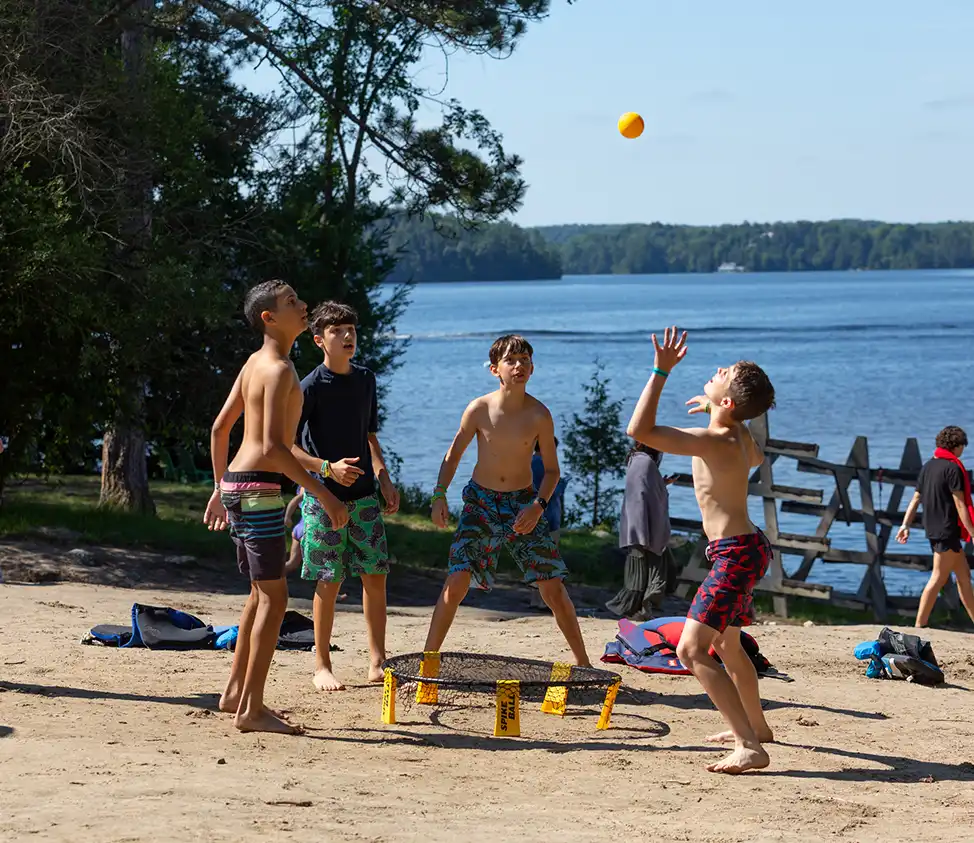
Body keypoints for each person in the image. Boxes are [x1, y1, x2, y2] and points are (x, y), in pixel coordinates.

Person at [202, 279, 349, 735]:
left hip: (239, 485)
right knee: (276, 598)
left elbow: (220, 429)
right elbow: (273, 448)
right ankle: (252, 709)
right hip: (259, 488)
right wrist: (322, 491)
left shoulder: (254, 364)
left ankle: (234, 694)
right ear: (269, 317)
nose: (303, 305)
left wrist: (219, 485)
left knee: (259, 595)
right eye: (292, 303)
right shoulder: (281, 371)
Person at [627, 326, 776, 774]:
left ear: (728, 403)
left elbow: (641, 430)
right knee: (728, 645)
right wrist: (718, 409)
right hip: (747, 548)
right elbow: (755, 460)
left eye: (723, 374)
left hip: (733, 555)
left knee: (693, 650)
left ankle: (750, 746)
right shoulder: (738, 436)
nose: (715, 371)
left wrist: (660, 371)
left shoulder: (713, 439)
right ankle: (756, 727)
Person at [423, 335, 591, 666]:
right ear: (494, 369)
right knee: (456, 581)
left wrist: (538, 506)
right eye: (511, 360)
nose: (519, 366)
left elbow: (553, 472)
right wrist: (439, 495)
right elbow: (453, 456)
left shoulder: (540, 415)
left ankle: (584, 664)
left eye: (525, 360)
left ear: (533, 367)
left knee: (552, 587)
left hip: (523, 504)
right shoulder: (479, 408)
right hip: (481, 504)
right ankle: (429, 660)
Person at [290, 301, 400, 691]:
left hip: (365, 497)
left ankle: (377, 661)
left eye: (351, 329)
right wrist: (326, 467)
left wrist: (383, 475)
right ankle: (322, 664)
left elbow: (369, 436)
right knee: (328, 580)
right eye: (337, 331)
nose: (347, 336)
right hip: (322, 498)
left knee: (375, 576)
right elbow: (287, 447)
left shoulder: (366, 379)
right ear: (320, 340)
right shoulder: (309, 386)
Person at [896, 425, 974, 628]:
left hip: (934, 528)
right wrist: (973, 532)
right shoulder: (953, 468)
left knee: (964, 578)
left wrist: (905, 524)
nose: (962, 451)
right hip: (946, 529)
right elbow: (960, 504)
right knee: (938, 577)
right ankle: (919, 626)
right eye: (962, 447)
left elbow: (915, 499)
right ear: (955, 446)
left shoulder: (928, 466)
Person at [606, 442, 675, 620]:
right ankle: (640, 608)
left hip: (635, 522)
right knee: (652, 568)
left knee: (640, 569)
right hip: (647, 524)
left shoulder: (635, 461)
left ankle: (636, 608)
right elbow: (648, 495)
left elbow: (644, 491)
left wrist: (661, 483)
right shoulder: (647, 464)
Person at [528, 437, 567, 609]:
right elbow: (555, 491)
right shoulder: (548, 467)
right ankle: (545, 600)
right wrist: (563, 484)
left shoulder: (528, 463)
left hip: (531, 518)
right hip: (550, 518)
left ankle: (534, 599)